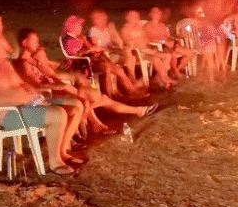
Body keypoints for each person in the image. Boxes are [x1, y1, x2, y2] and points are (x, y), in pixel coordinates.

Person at [0, 15, 82, 175]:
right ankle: (54, 161)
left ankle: (63, 151)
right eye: (1, 48)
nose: (7, 51)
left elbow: (21, 83)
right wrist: (18, 99)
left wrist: (33, 92)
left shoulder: (5, 65)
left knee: (75, 106)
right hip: (10, 115)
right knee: (58, 114)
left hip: (29, 104)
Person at [14, 28, 156, 135]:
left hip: (59, 90)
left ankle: (135, 112)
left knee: (98, 97)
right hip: (51, 96)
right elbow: (38, 86)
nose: (38, 44)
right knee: (93, 99)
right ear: (24, 43)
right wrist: (64, 86)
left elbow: (52, 74)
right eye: (34, 41)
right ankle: (97, 123)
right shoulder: (23, 64)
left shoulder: (34, 59)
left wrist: (46, 64)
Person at [61, 16, 149, 99]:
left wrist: (95, 48)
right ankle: (110, 95)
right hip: (84, 65)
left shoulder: (80, 37)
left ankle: (132, 91)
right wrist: (90, 50)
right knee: (107, 67)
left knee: (119, 70)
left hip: (94, 60)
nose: (81, 27)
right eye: (79, 25)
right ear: (73, 27)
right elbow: (75, 57)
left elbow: (92, 48)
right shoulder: (69, 40)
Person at [120, 10, 177, 88]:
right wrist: (138, 41)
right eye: (134, 17)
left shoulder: (140, 28)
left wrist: (150, 42)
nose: (136, 18)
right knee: (156, 59)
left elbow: (147, 39)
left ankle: (159, 77)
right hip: (139, 53)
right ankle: (163, 78)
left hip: (147, 50)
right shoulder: (125, 29)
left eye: (137, 17)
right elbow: (127, 42)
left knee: (167, 56)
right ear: (127, 18)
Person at [196, 0, 237, 69]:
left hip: (220, 18)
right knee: (209, 38)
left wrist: (227, 10)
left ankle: (221, 64)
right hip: (208, 19)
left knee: (221, 41)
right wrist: (199, 13)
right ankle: (210, 64)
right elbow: (199, 8)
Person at [88, 10, 138, 82]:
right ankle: (132, 79)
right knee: (129, 57)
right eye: (102, 19)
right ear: (95, 20)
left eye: (105, 19)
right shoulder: (93, 31)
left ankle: (132, 78)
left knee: (131, 56)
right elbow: (97, 47)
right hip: (105, 57)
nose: (105, 21)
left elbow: (119, 43)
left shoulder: (106, 30)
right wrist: (110, 49)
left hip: (113, 52)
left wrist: (113, 31)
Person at [144, 6, 195, 75]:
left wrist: (174, 40)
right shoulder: (147, 26)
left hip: (170, 45)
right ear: (150, 14)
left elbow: (168, 37)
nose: (157, 14)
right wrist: (163, 42)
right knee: (173, 53)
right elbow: (148, 40)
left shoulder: (162, 25)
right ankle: (175, 72)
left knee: (190, 53)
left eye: (158, 12)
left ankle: (177, 69)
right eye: (155, 12)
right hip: (160, 48)